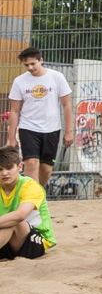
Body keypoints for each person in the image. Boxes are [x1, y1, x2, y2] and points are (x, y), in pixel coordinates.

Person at [8, 48, 72, 191]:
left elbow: (67, 105)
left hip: (52, 128)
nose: (30, 68)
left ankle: (39, 194)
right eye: (26, 65)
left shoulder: (57, 77)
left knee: (46, 169)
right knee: (31, 163)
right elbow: (14, 110)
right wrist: (11, 137)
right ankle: (31, 199)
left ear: (41, 60)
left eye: (33, 64)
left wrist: (69, 131)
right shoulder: (19, 81)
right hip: (28, 127)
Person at [0, 145, 53, 260]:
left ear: (19, 167)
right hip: (7, 240)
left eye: (9, 168)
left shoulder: (30, 186)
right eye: (0, 169)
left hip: (35, 240)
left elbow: (20, 215)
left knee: (14, 221)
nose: (4, 173)